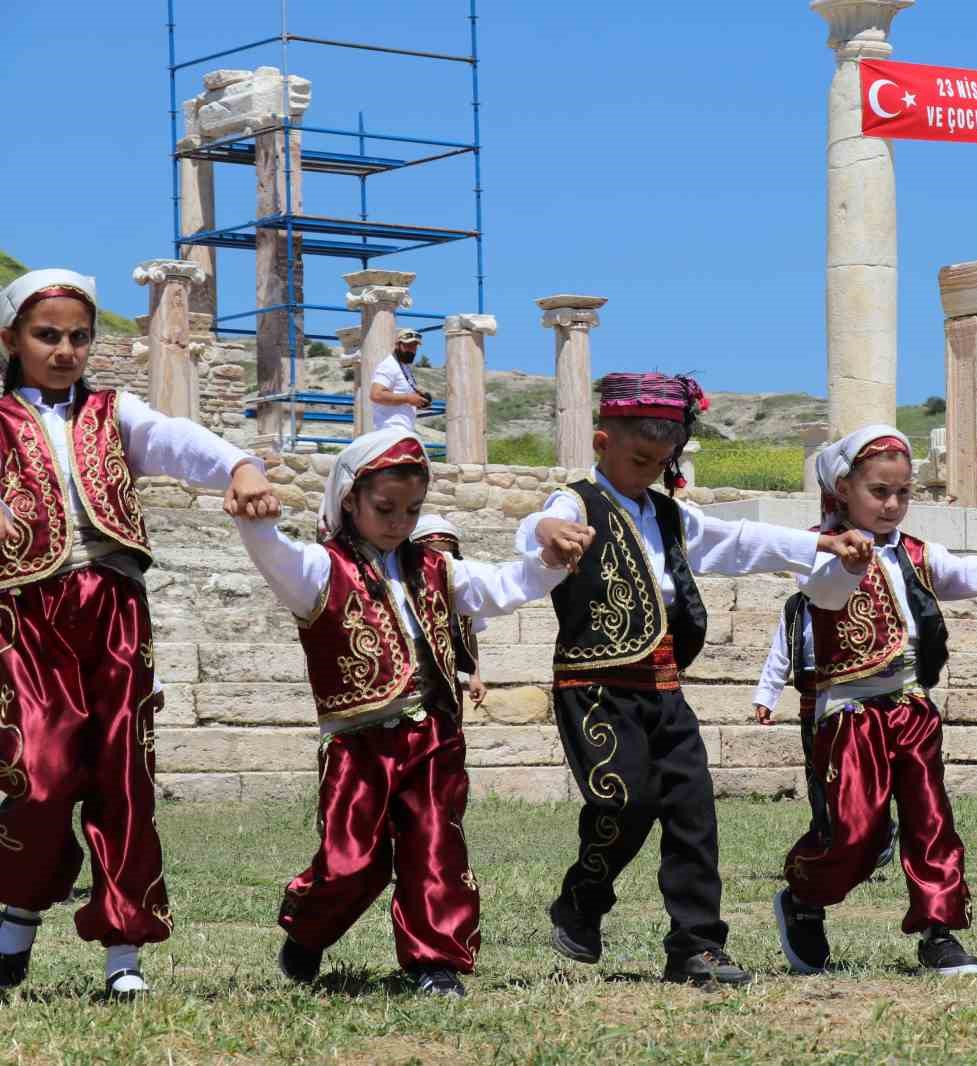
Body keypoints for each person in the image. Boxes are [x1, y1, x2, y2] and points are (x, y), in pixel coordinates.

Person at [516, 372, 873, 988]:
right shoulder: (575, 503)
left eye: (661, 463)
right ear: (602, 442)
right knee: (624, 800)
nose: (649, 472)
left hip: (664, 685)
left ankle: (697, 946)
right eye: (639, 459)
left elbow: (740, 540)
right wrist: (548, 533)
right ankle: (583, 897)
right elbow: (538, 525)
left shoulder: (670, 515)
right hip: (595, 688)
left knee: (693, 812)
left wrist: (820, 543)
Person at [0, 269, 280, 999]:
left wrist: (240, 465)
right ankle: (17, 915)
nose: (65, 350)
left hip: (115, 606)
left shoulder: (112, 412)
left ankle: (124, 951)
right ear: (11, 340)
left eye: (79, 336)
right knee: (39, 774)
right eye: (47, 335)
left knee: (123, 774)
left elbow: (177, 441)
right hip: (25, 614)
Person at [234, 428, 581, 997]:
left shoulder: (437, 568)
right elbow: (275, 557)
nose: (399, 522)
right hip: (358, 742)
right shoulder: (320, 569)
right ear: (351, 500)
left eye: (412, 510)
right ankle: (307, 933)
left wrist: (547, 561)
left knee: (435, 846)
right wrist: (255, 521)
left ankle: (434, 962)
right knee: (352, 862)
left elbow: (501, 585)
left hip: (434, 735)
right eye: (385, 508)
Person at [772, 425, 977, 978]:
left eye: (903, 492)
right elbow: (825, 594)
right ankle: (804, 897)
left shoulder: (916, 554)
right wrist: (849, 563)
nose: (892, 504)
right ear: (843, 489)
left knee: (930, 819)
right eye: (879, 491)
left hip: (912, 707)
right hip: (849, 714)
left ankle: (939, 930)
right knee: (855, 834)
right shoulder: (817, 550)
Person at [752, 593, 898, 871]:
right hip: (812, 701)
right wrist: (766, 697)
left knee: (855, 772)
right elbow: (780, 653)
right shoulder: (795, 607)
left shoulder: (856, 597)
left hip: (851, 699)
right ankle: (825, 839)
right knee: (817, 773)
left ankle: (877, 832)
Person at [411, 514, 488, 707]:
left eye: (447, 552)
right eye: (434, 553)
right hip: (410, 683)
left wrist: (475, 677)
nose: (441, 559)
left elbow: (470, 633)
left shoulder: (460, 590)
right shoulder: (403, 587)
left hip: (447, 681)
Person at [369, 328, 432, 431]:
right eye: (408, 345)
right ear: (398, 345)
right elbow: (376, 395)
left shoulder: (404, 367)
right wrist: (408, 398)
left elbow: (401, 395)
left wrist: (418, 400)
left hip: (402, 430)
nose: (411, 350)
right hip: (390, 430)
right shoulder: (389, 365)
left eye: (414, 346)